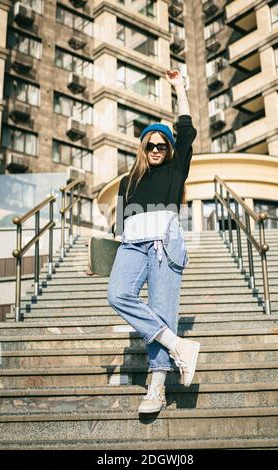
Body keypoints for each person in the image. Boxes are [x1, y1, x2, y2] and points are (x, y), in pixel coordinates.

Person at [107, 69, 200, 414]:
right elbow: (118, 227)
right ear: (143, 147)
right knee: (117, 294)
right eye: (151, 144)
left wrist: (180, 88)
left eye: (163, 144)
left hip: (165, 240)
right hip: (132, 244)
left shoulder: (176, 170)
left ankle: (156, 387)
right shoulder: (127, 180)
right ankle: (177, 344)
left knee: (162, 308)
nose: (158, 148)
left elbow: (187, 130)